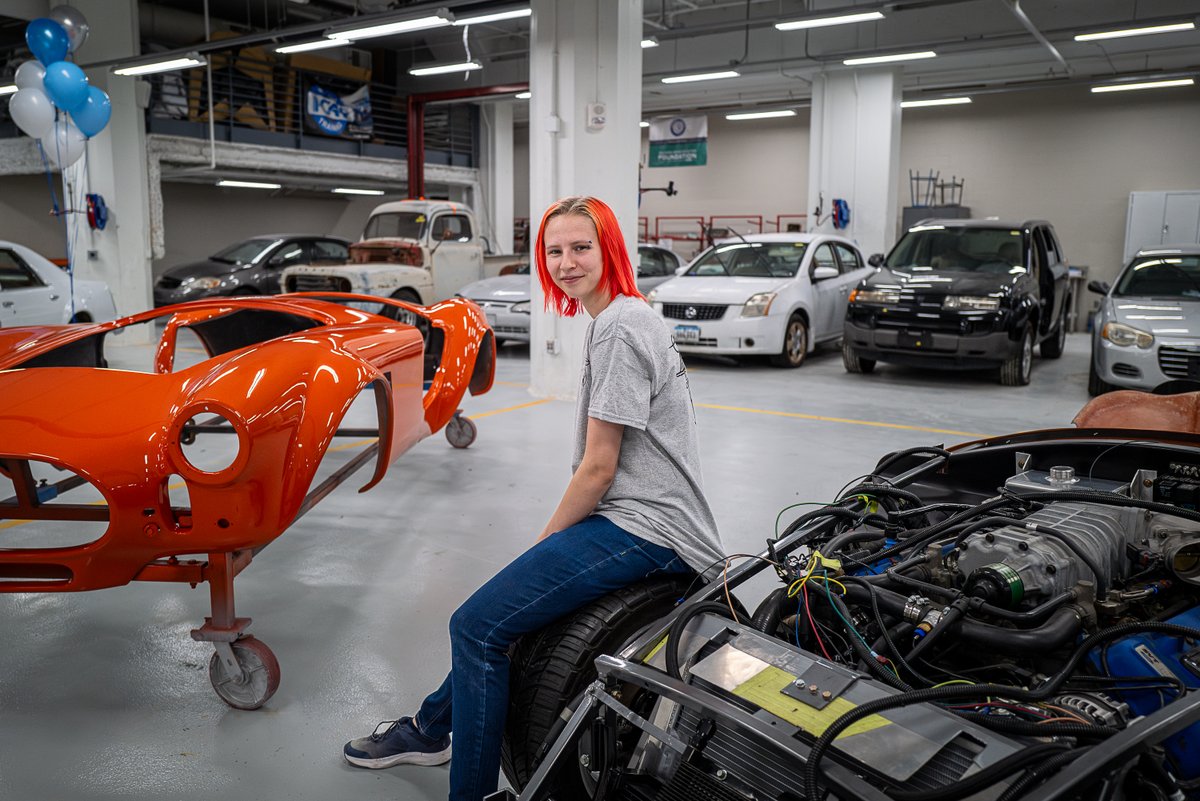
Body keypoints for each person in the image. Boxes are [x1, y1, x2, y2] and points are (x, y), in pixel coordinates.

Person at [342, 196, 726, 801]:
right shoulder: (624, 316)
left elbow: (598, 468)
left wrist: (549, 538)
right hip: (647, 517)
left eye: (581, 248)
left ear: (609, 252)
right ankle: (429, 728)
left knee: (474, 626)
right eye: (555, 251)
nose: (568, 262)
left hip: (650, 528)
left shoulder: (622, 329)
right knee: (507, 617)